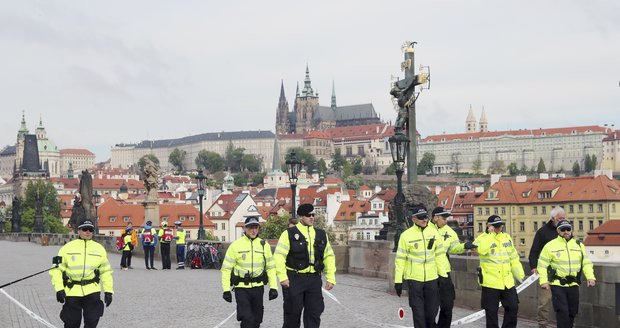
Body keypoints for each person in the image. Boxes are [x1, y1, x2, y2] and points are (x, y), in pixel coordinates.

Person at [274, 203, 336, 328]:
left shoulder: (321, 234)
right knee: (293, 313)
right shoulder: (289, 233)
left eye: (313, 215)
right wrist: (283, 277)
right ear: (301, 217)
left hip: (314, 279)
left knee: (314, 313)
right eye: (309, 215)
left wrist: (331, 277)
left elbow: (329, 256)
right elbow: (279, 256)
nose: (312, 217)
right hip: (295, 278)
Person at [49, 219, 114, 328]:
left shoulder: (100, 249)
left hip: (92, 291)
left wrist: (108, 291)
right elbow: (56, 269)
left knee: (92, 322)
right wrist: (59, 289)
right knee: (71, 323)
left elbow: (106, 271)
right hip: (72, 290)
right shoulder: (66, 248)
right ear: (78, 231)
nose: (87, 232)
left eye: (90, 229)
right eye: (84, 229)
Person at [394, 205, 447, 328]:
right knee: (418, 315)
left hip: (432, 279)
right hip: (414, 280)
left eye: (426, 217)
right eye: (421, 218)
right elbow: (400, 260)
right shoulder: (406, 236)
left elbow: (439, 255)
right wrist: (398, 281)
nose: (424, 220)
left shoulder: (434, 233)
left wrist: (443, 275)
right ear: (413, 219)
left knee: (431, 314)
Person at [221, 216, 278, 327]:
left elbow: (271, 267)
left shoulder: (264, 245)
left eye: (256, 227)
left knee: (257, 320)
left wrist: (273, 287)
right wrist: (226, 290)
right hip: (241, 288)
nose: (253, 230)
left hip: (258, 287)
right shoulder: (236, 245)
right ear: (245, 228)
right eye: (251, 227)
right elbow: (226, 269)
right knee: (247, 318)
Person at [538, 220, 596, 328]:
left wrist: (590, 277)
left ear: (571, 230)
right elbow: (542, 265)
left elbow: (586, 263)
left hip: (573, 284)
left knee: (572, 312)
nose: (566, 232)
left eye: (568, 229)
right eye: (563, 229)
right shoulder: (550, 246)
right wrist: (544, 281)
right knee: (562, 312)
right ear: (558, 231)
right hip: (557, 284)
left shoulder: (579, 245)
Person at [470, 215, 524, 328]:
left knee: (513, 307)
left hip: (507, 281)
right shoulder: (482, 238)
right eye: (495, 226)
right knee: (491, 312)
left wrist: (519, 273)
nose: (499, 229)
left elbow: (513, 257)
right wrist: (491, 235)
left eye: (500, 226)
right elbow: (481, 250)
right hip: (490, 282)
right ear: (488, 226)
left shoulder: (507, 237)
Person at [430, 206, 474, 328]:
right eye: (444, 218)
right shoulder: (426, 229)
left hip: (444, 272)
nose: (446, 220)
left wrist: (465, 246)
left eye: (446, 218)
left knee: (447, 304)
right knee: (431, 307)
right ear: (435, 218)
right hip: (429, 273)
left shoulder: (450, 232)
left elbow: (454, 248)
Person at [528, 207, 566, 328]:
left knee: (562, 303)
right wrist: (534, 266)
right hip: (546, 273)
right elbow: (534, 251)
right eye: (560, 218)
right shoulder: (542, 232)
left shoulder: (565, 231)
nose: (562, 221)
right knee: (544, 302)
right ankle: (542, 324)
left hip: (562, 273)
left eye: (564, 218)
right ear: (553, 218)